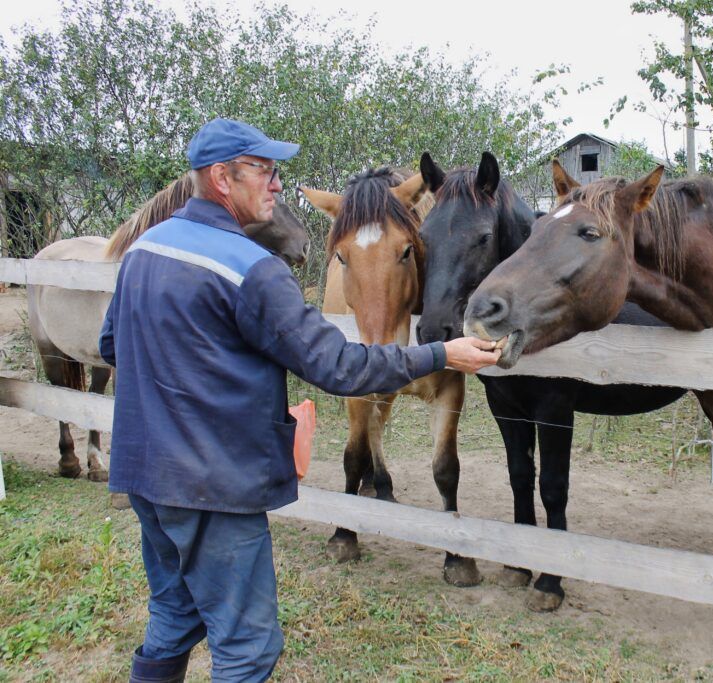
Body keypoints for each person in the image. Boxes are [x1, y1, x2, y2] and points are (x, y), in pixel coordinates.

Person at [99, 118, 500, 682]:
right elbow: (336, 365)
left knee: (172, 615)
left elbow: (111, 343)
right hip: (214, 484)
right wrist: (440, 355)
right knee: (247, 649)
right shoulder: (253, 269)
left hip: (144, 475)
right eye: (263, 171)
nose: (277, 185)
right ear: (221, 178)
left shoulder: (145, 249)